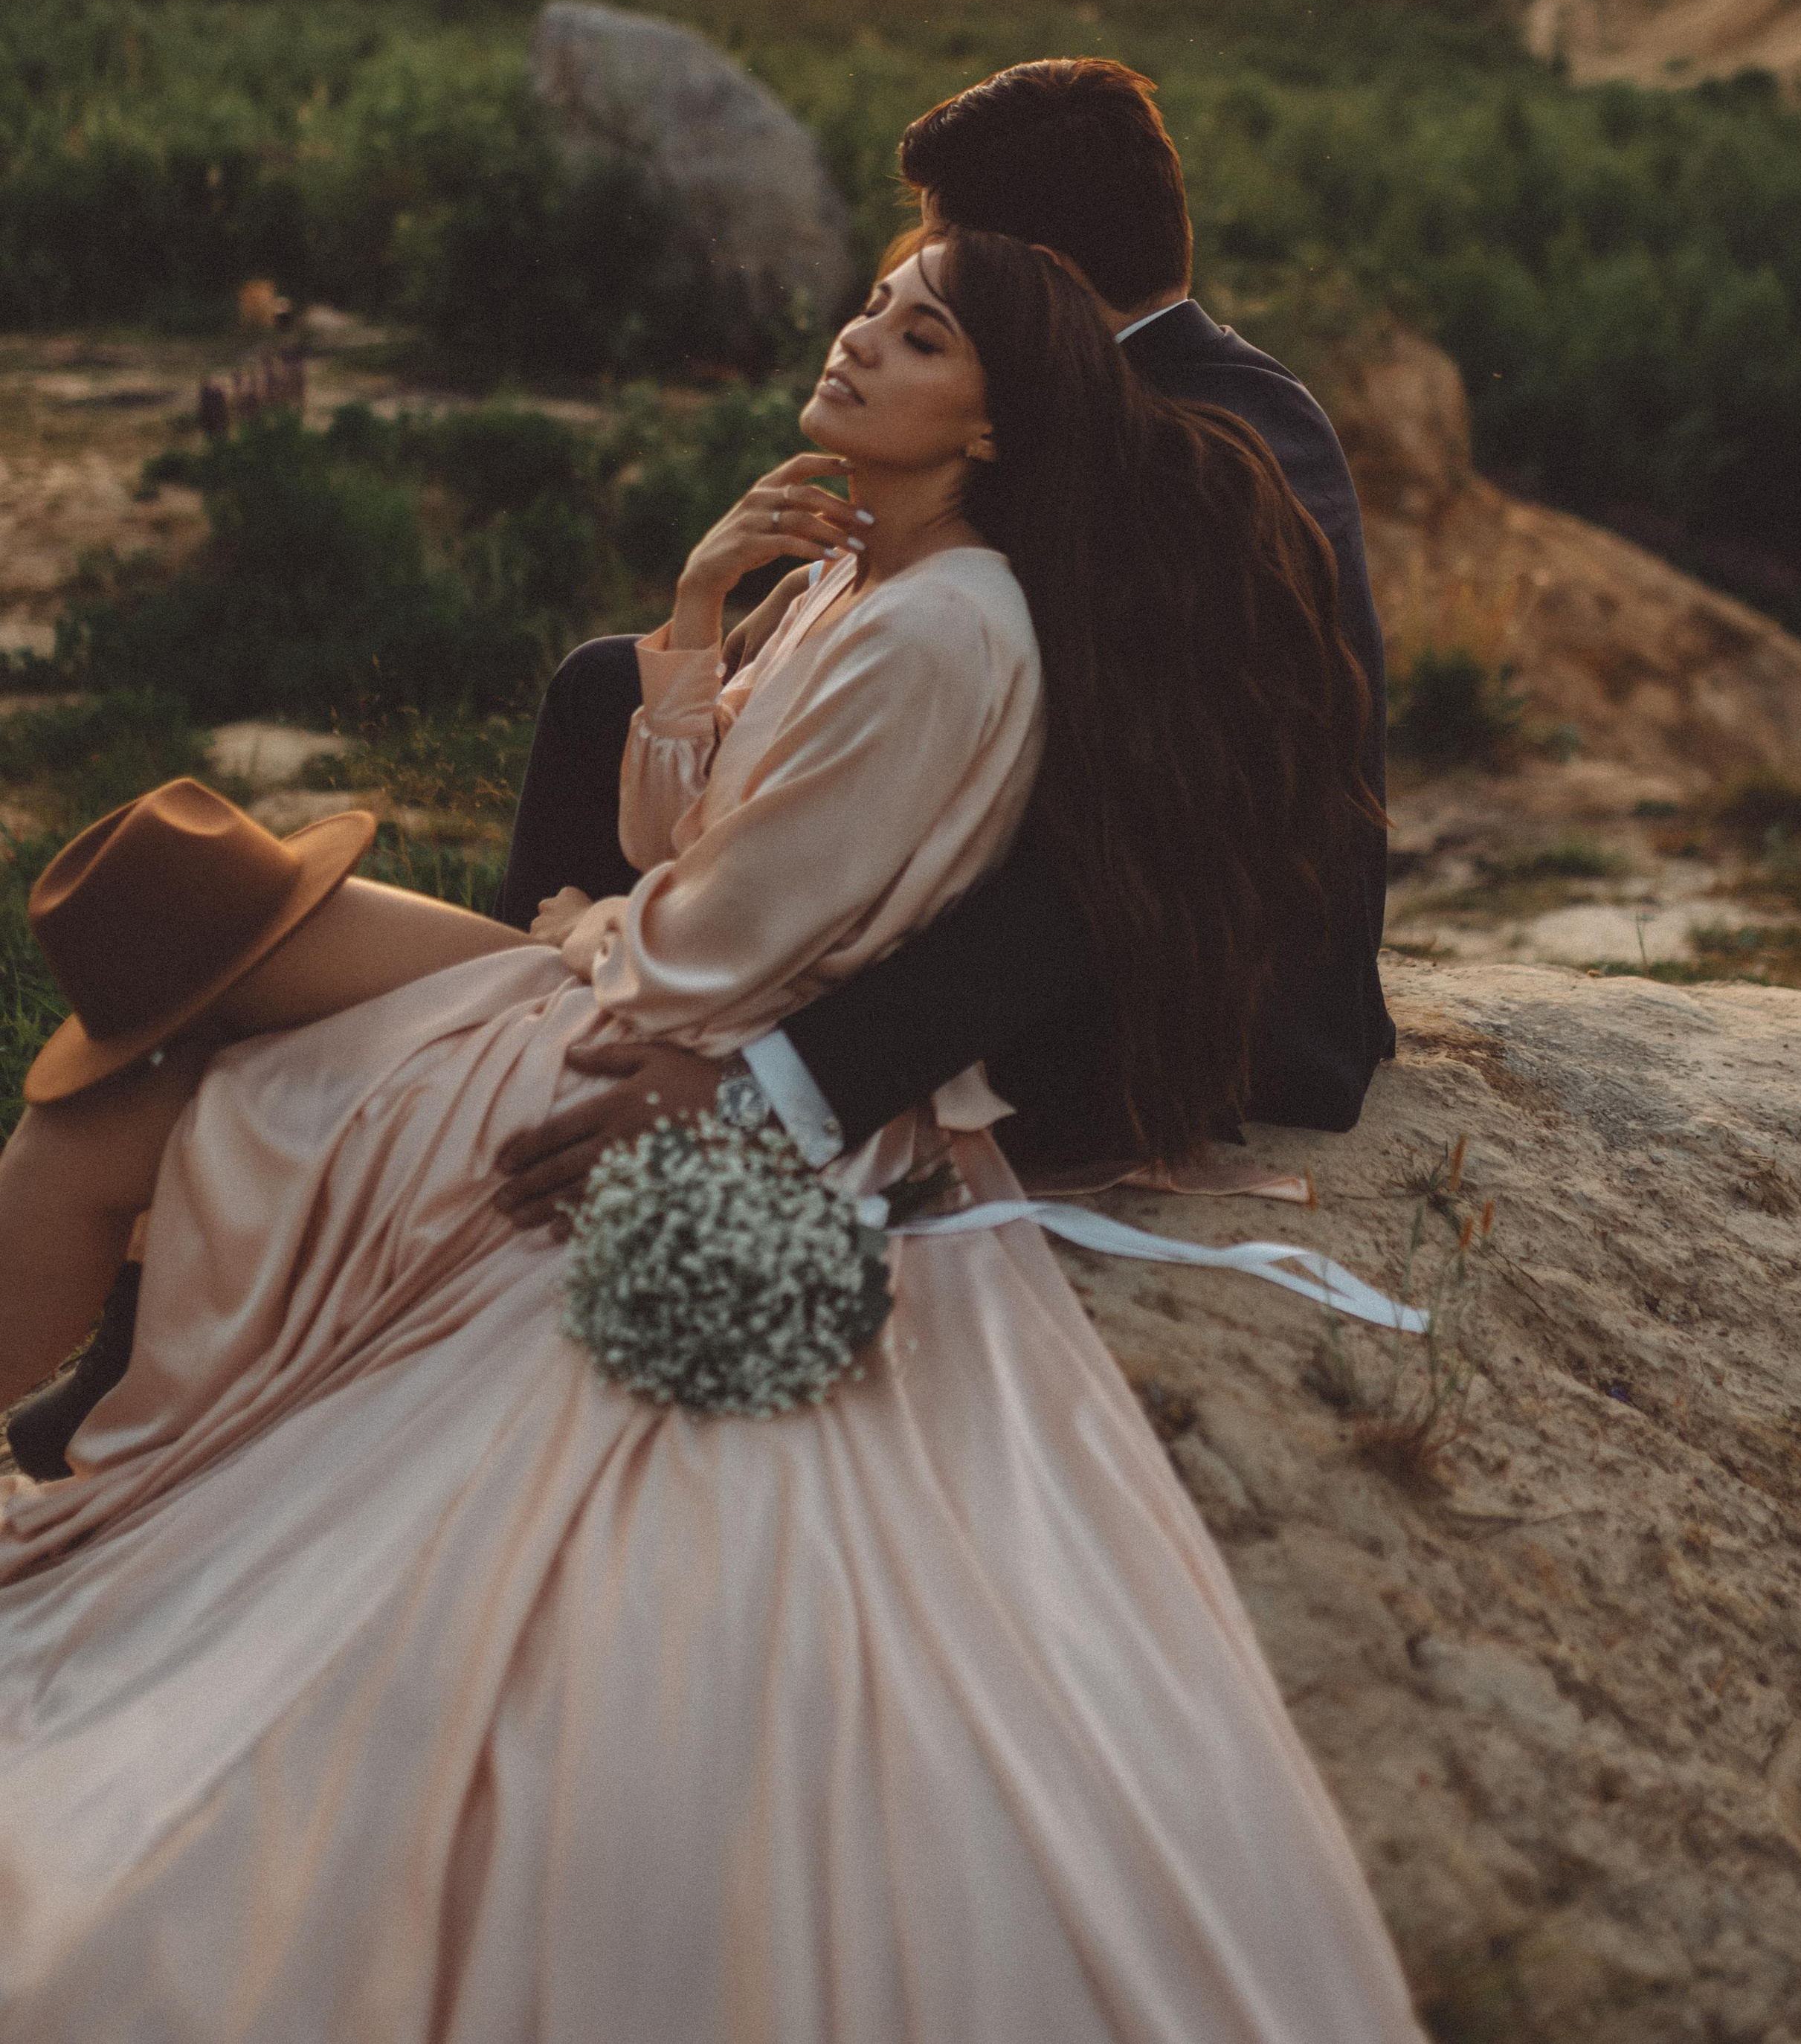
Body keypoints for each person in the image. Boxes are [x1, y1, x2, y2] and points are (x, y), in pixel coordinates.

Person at [0, 230, 1422, 2044]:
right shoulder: (852, 581)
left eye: (917, 337)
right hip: (650, 1003)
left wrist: (551, 947)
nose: (859, 341)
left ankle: (130, 1359)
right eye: (870, 307)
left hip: (667, 1051)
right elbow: (680, 848)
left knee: (131, 1114)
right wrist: (689, 623)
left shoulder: (942, 625)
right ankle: (139, 1327)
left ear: (989, 423)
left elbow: (701, 945)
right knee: (157, 1072)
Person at [491, 57, 1394, 1240]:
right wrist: (777, 611)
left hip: (1176, 1018)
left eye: (945, 268)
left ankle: (575, 1069)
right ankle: (552, 1030)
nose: (907, 298)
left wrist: (761, 1100)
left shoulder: (1199, 467)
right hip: (1046, 900)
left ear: (1043, 285)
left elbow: (1095, 860)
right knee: (612, 681)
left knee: (635, 729)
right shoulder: (1171, 387)